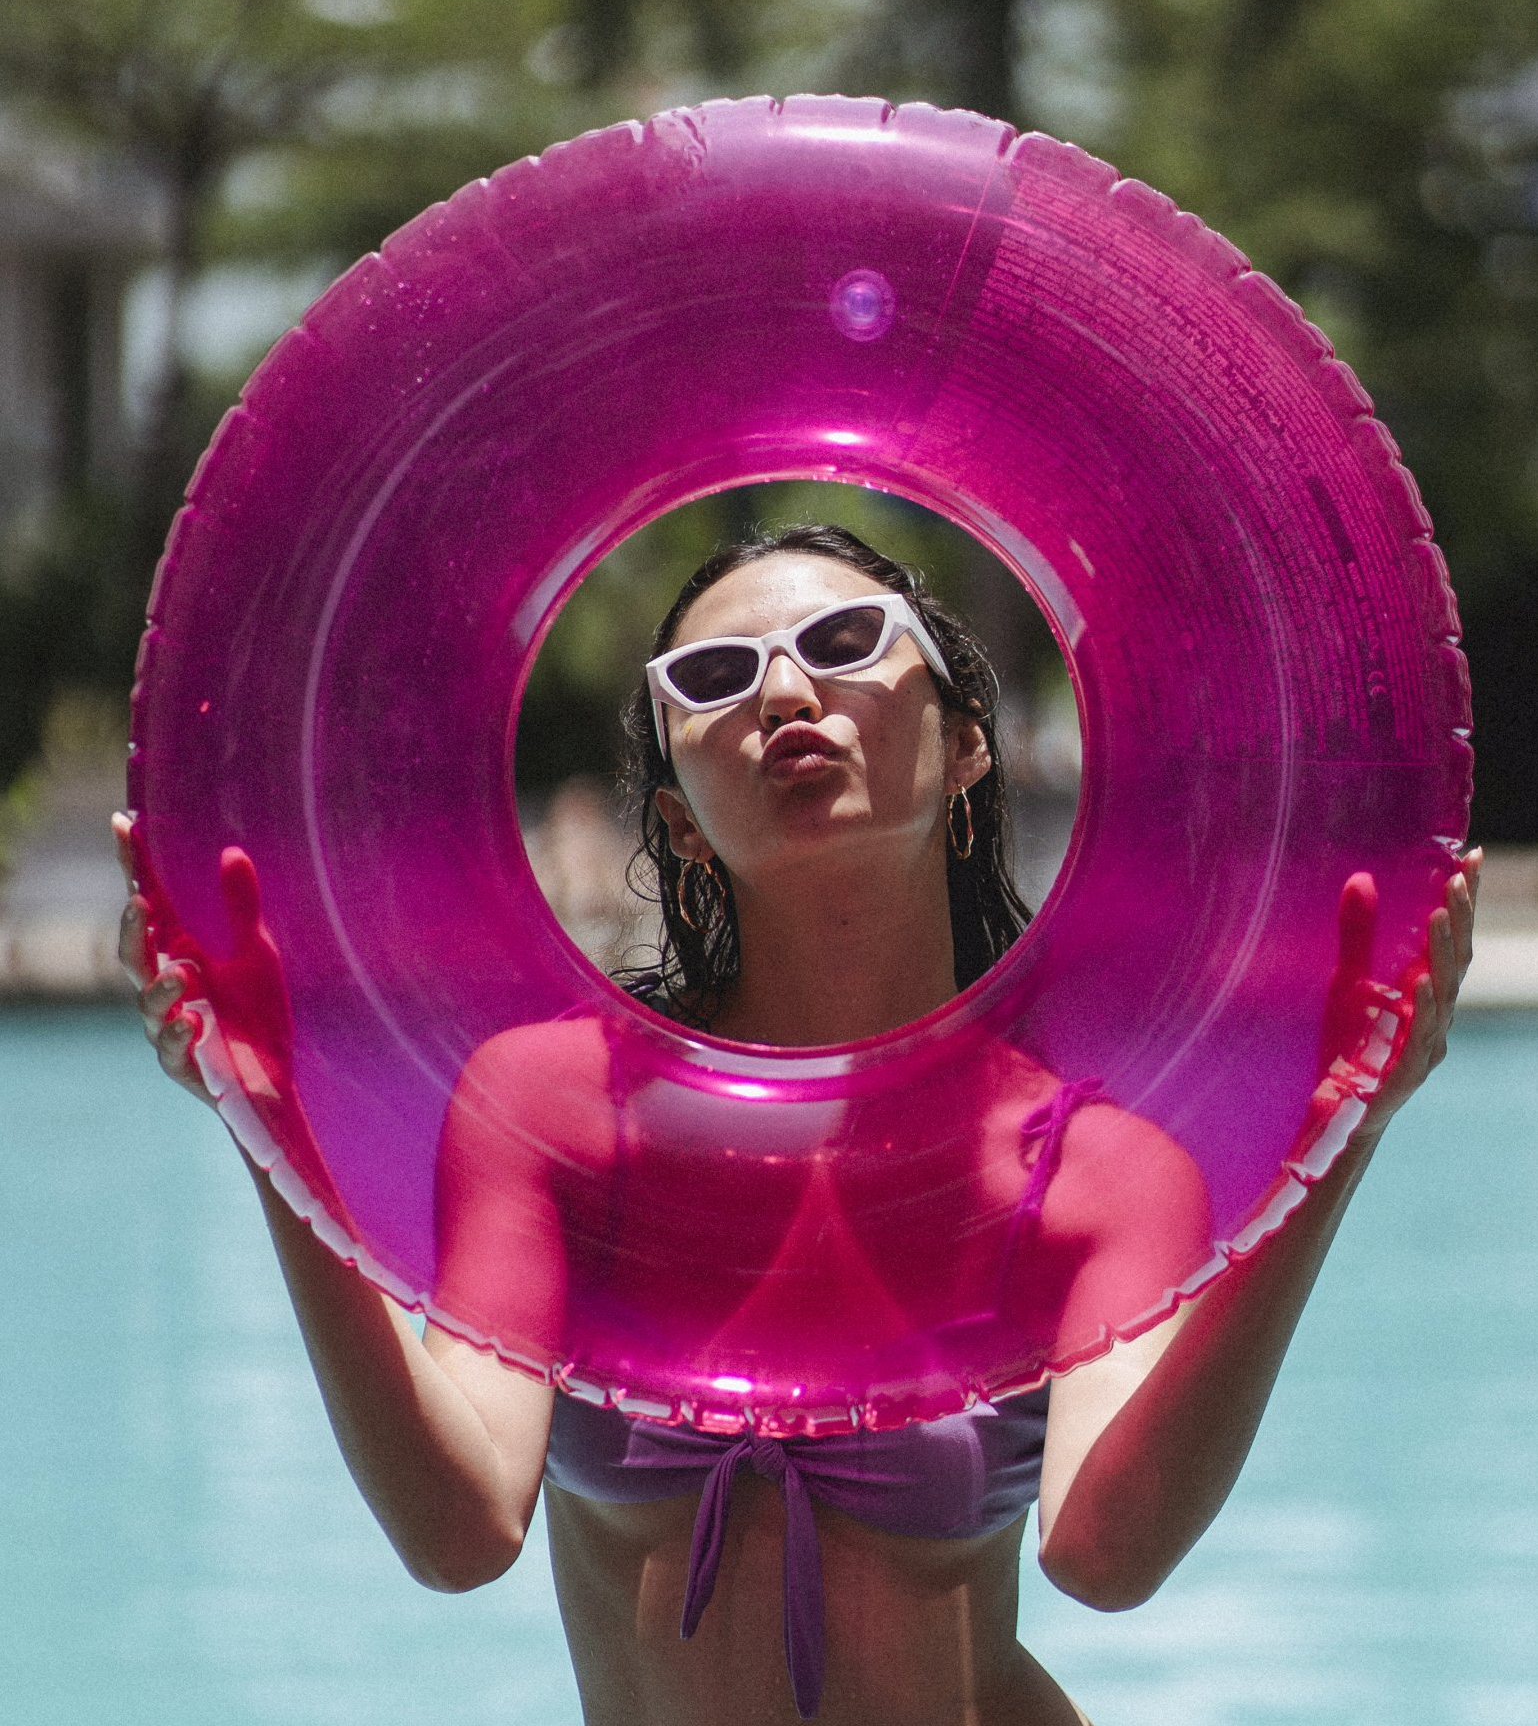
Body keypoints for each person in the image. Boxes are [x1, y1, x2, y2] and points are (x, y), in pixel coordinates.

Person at [114, 521, 1479, 1726]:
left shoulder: (1084, 1166)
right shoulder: (555, 1106)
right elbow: (457, 1526)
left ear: (960, 746)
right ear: (678, 821)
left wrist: (1338, 1142)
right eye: (710, 678)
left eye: (841, 643)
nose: (781, 693)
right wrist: (271, 1134)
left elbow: (1105, 1557)